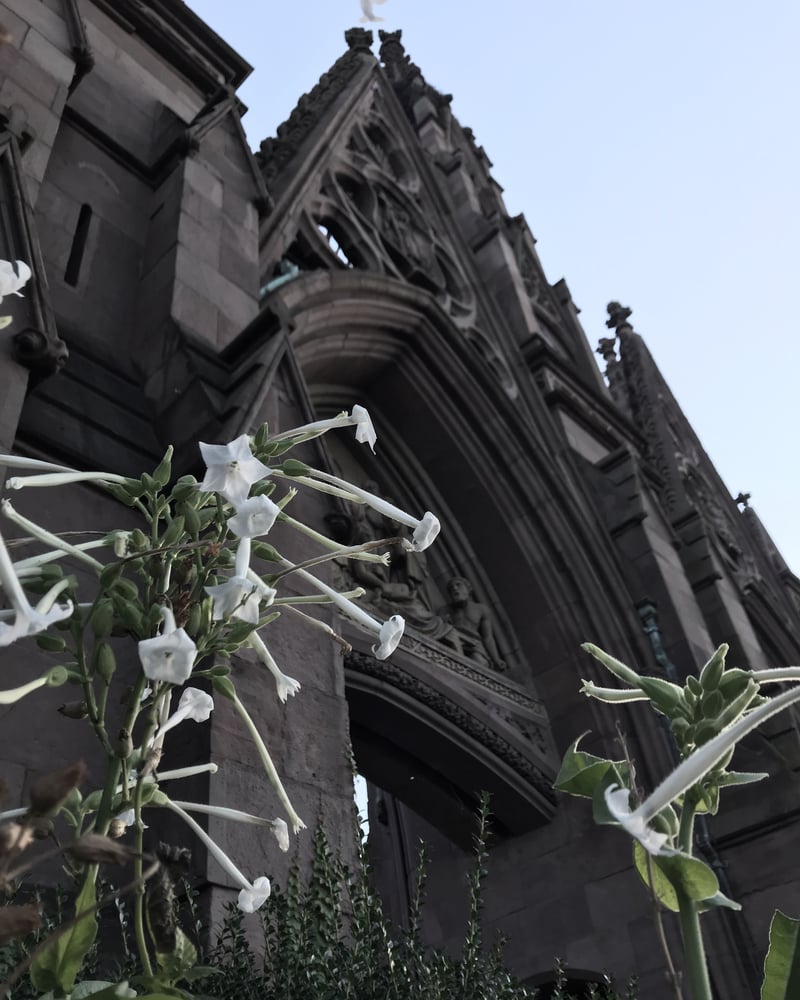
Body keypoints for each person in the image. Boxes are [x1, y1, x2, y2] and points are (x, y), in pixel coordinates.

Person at [441, 576, 506, 672]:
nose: (455, 588)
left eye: (458, 585)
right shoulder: (445, 610)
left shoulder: (481, 609)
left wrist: (496, 659)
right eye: (451, 588)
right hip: (454, 642)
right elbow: (439, 629)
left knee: (479, 661)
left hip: (474, 645)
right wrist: (443, 621)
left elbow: (488, 637)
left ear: (468, 589)